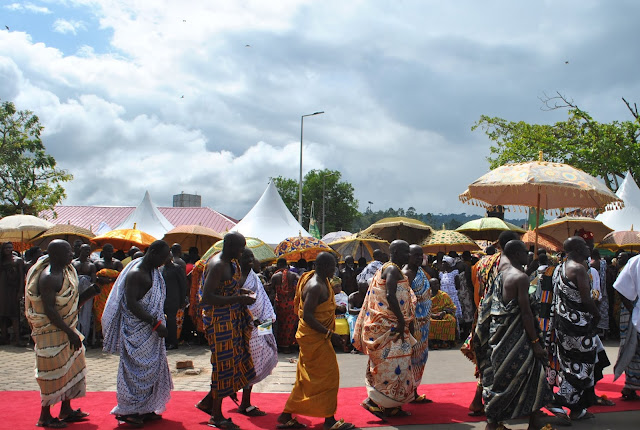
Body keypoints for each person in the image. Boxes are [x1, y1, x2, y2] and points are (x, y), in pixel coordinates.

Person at [473, 240, 552, 430]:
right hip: (517, 337)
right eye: (525, 252)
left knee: (512, 377)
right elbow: (526, 313)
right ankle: (494, 424)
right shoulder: (520, 277)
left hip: (499, 335)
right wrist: (535, 342)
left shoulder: (501, 274)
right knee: (530, 374)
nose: (528, 255)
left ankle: (532, 422)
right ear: (517, 254)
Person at [25, 240, 101, 428]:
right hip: (52, 332)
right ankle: (44, 416)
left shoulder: (68, 272)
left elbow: (71, 306)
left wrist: (90, 293)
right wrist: (70, 333)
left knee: (71, 368)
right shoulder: (49, 277)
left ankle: (66, 410)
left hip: (68, 329)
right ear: (56, 254)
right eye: (67, 251)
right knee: (51, 373)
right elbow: (50, 310)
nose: (71, 254)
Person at [277, 252, 355, 430]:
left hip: (316, 337)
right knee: (329, 377)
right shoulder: (315, 286)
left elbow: (322, 307)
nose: (334, 270)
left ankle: (286, 415)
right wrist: (329, 334)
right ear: (323, 267)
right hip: (315, 338)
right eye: (332, 266)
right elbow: (307, 315)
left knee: (306, 379)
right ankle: (329, 421)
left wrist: (335, 308)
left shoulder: (323, 281)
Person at [101, 240, 173, 426]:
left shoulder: (153, 272)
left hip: (151, 332)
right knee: (135, 372)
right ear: (153, 252)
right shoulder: (136, 273)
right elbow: (132, 303)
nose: (165, 261)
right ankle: (129, 410)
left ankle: (146, 407)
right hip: (138, 330)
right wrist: (155, 323)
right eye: (163, 257)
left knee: (151, 369)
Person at [195, 232, 256, 429]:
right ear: (229, 246)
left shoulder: (233, 264)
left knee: (234, 363)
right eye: (240, 248)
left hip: (233, 319)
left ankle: (208, 403)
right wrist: (238, 299)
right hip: (219, 322)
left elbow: (228, 289)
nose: (242, 252)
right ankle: (216, 416)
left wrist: (241, 293)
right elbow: (207, 297)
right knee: (223, 366)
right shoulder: (217, 265)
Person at [353, 240, 416, 418]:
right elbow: (390, 295)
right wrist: (402, 321)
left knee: (394, 365)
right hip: (391, 327)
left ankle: (389, 406)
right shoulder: (392, 269)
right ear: (395, 252)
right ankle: (375, 402)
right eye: (406, 252)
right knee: (390, 366)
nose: (409, 255)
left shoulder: (390, 269)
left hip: (393, 326)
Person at [463, 230, 521, 417]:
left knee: (485, 361)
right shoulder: (509, 264)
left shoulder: (481, 263)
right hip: (501, 319)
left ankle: (479, 401)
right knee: (500, 362)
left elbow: (474, 288)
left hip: (481, 315)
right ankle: (496, 405)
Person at [547, 236, 600, 421]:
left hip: (562, 325)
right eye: (584, 245)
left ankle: (577, 409)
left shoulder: (560, 268)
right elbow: (586, 299)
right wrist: (597, 315)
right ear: (577, 249)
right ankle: (557, 400)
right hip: (578, 326)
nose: (588, 248)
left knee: (569, 365)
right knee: (584, 365)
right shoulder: (579, 269)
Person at [237, 248, 277, 416]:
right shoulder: (236, 278)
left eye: (251, 256)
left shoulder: (254, 277)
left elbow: (262, 300)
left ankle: (244, 401)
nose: (250, 259)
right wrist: (251, 319)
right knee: (247, 365)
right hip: (244, 327)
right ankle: (244, 403)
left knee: (258, 360)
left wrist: (263, 321)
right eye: (246, 256)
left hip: (261, 324)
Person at [403, 244, 433, 403]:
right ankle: (408, 393)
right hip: (413, 324)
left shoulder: (421, 271)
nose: (419, 258)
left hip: (424, 323)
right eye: (416, 255)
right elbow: (405, 301)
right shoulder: (406, 274)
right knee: (411, 359)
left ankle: (414, 391)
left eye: (421, 255)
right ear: (407, 256)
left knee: (420, 357)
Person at [613, 254, 640, 401]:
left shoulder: (634, 261)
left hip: (633, 309)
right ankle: (630, 386)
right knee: (632, 349)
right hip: (633, 310)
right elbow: (620, 288)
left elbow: (620, 286)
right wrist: (632, 309)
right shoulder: (635, 261)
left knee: (634, 349)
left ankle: (631, 386)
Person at [93, 244, 123, 337]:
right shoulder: (97, 263)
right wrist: (99, 279)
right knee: (99, 314)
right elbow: (93, 277)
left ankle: (111, 336)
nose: (110, 253)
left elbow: (121, 277)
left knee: (112, 312)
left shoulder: (117, 263)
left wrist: (109, 280)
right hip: (100, 292)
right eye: (107, 251)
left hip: (113, 292)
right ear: (103, 252)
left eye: (111, 251)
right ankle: (99, 336)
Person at [271, 258, 300, 353]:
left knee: (281, 325)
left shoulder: (275, 276)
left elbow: (271, 291)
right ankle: (289, 345)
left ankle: (282, 345)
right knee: (290, 325)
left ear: (278, 265)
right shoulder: (292, 275)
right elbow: (301, 280)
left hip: (280, 305)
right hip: (291, 305)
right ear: (286, 265)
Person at [161, 252, 187, 350]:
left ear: (171, 257)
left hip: (173, 298)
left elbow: (183, 284)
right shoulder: (161, 269)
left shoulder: (177, 268)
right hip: (163, 299)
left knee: (171, 321)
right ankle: (166, 341)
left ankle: (173, 342)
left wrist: (182, 299)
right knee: (164, 320)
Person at [0, 242, 25, 345]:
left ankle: (17, 338)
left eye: (10, 247)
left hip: (13, 290)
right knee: (2, 315)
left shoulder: (18, 260)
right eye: (6, 248)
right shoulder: (1, 260)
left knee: (14, 315)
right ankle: (4, 337)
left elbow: (21, 277)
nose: (8, 249)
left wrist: (20, 291)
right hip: (2, 290)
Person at [72, 244, 97, 344]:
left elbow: (93, 281)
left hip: (86, 291)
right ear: (80, 250)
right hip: (74, 291)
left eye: (89, 250)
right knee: (73, 312)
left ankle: (84, 337)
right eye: (85, 250)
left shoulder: (91, 265)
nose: (87, 252)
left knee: (86, 314)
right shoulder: (73, 263)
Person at [428, 278, 457, 349]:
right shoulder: (426, 296)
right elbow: (423, 309)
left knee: (451, 320)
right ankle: (433, 343)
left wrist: (443, 312)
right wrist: (433, 315)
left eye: (437, 283)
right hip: (430, 315)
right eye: (434, 284)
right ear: (430, 286)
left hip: (442, 314)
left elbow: (452, 307)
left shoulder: (444, 295)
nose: (437, 285)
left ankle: (446, 342)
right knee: (429, 322)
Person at [439, 256, 462, 327]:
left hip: (453, 298)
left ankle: (456, 331)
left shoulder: (454, 273)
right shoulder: (441, 274)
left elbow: (458, 286)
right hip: (444, 299)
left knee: (454, 316)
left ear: (448, 264)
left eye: (444, 263)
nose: (442, 264)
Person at [331, 276, 351, 352]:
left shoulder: (343, 294)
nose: (339, 288)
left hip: (344, 316)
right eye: (336, 287)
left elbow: (347, 302)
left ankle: (344, 345)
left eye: (339, 286)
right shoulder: (330, 296)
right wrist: (337, 307)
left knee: (346, 325)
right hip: (333, 316)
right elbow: (328, 305)